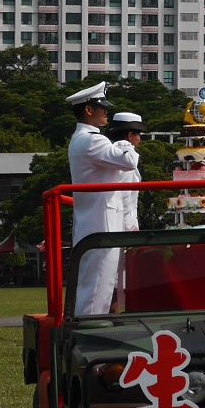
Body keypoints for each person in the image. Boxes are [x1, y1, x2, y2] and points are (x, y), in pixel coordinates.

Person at [66, 82, 140, 317]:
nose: (105, 112)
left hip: (97, 220)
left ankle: (88, 326)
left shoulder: (85, 139)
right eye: (101, 107)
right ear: (88, 110)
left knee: (100, 284)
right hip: (101, 222)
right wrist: (124, 142)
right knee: (98, 285)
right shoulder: (91, 140)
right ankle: (87, 331)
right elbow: (129, 161)